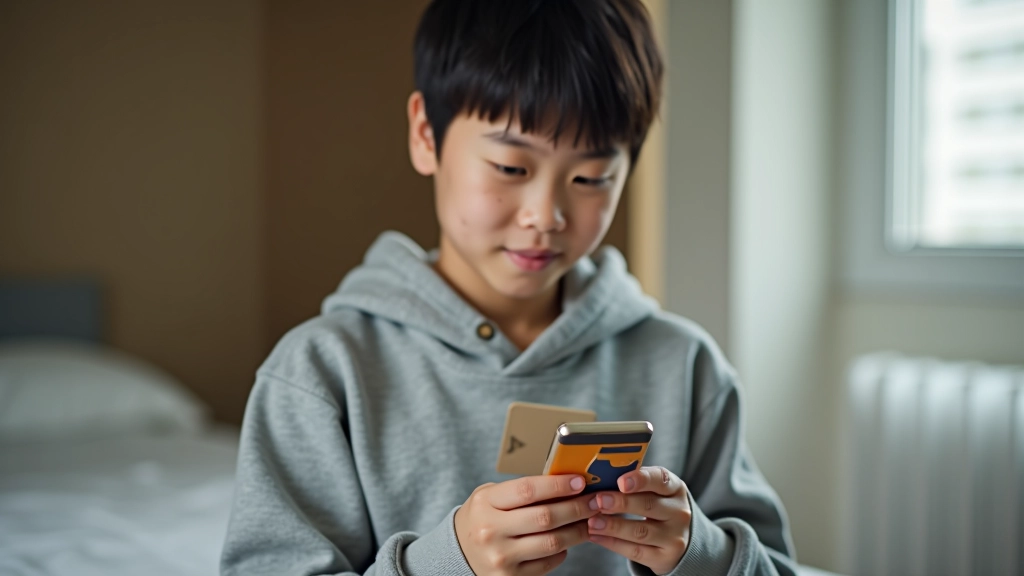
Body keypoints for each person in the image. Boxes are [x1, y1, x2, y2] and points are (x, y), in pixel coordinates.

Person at [220, 1, 797, 574]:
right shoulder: (323, 374)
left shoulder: (685, 366)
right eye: (511, 168)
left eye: (590, 178)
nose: (546, 215)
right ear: (426, 135)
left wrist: (704, 554)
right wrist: (443, 566)